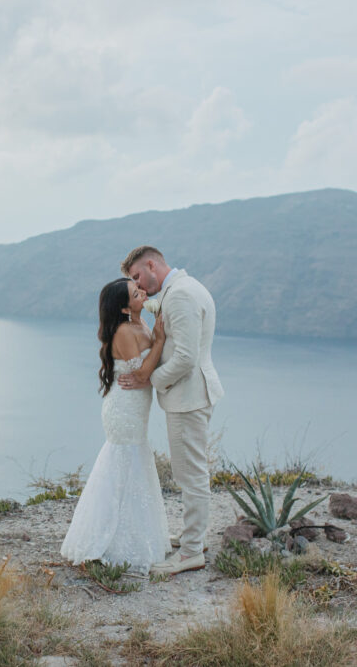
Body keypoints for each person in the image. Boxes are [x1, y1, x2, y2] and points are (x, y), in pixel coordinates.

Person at [118, 246, 224, 576]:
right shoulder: (184, 287)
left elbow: (185, 358)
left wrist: (148, 378)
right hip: (190, 394)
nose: (138, 285)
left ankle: (191, 552)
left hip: (188, 397)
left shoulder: (180, 295)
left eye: (137, 276)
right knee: (189, 471)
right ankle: (193, 538)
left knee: (190, 475)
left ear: (152, 264)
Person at [60, 277, 172, 573]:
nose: (144, 293)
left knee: (135, 463)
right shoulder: (124, 331)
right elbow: (143, 375)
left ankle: (137, 537)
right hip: (123, 409)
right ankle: (105, 542)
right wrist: (159, 342)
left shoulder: (140, 324)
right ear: (125, 308)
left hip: (137, 408)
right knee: (122, 464)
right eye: (137, 293)